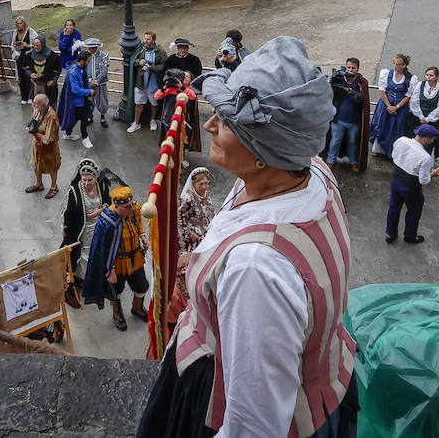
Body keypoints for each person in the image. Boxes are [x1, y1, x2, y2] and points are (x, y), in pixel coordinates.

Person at [138, 36, 356, 438]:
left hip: (216, 395)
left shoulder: (256, 267)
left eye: (228, 121)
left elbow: (253, 426)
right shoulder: (310, 172)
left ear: (265, 149)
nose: (209, 124)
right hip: (324, 385)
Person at [82, 185, 149, 332]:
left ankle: (137, 308)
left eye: (131, 205)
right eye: (127, 207)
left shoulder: (134, 208)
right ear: (116, 207)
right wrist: (110, 270)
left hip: (136, 257)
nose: (131, 208)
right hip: (117, 263)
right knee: (116, 291)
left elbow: (139, 223)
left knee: (142, 285)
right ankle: (117, 313)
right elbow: (102, 249)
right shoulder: (107, 221)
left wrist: (142, 236)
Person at [61, 158, 115, 283]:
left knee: (99, 250)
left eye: (89, 180)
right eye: (83, 180)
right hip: (81, 229)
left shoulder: (102, 185)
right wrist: (65, 229)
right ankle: (84, 278)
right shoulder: (74, 191)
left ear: (96, 178)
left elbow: (108, 202)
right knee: (83, 252)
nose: (86, 183)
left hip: (100, 225)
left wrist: (98, 212)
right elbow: (67, 213)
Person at [387, 124, 439, 244]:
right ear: (426, 138)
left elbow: (394, 155)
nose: (432, 141)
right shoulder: (425, 157)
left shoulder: (401, 140)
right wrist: (432, 174)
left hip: (396, 179)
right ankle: (410, 236)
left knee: (393, 208)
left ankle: (390, 233)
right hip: (411, 187)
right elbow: (424, 180)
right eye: (432, 139)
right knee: (414, 211)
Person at [325, 58, 370, 171]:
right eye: (348, 67)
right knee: (335, 141)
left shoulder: (361, 82)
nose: (350, 69)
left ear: (357, 69)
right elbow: (330, 96)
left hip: (354, 121)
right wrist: (334, 82)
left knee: (353, 142)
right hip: (339, 119)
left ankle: (353, 161)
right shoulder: (340, 79)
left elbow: (362, 100)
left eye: (353, 68)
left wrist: (348, 90)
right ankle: (330, 160)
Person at [370, 53, 417, 159]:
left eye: (399, 65)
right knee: (382, 125)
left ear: (404, 65)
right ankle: (377, 149)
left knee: (396, 128)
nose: (396, 67)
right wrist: (389, 105)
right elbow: (382, 91)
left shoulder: (410, 78)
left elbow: (408, 96)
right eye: (395, 64)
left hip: (400, 108)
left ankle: (392, 152)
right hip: (385, 105)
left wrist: (396, 107)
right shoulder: (386, 73)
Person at [127, 31, 167, 133]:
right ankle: (136, 123)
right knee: (138, 103)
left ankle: (153, 120)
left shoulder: (161, 51)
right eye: (145, 38)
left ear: (153, 40)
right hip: (140, 83)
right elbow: (132, 60)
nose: (145, 41)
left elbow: (163, 66)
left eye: (148, 39)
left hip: (153, 84)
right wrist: (138, 62)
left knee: (154, 103)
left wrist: (152, 68)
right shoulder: (141, 49)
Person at [26, 93, 63, 198]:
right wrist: (30, 127)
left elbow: (48, 138)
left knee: (52, 168)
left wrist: (33, 132)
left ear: (44, 105)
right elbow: (33, 121)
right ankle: (39, 184)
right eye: (33, 103)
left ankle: (54, 187)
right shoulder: (37, 110)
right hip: (37, 145)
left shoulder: (51, 117)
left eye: (36, 104)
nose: (34, 105)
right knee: (35, 164)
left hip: (49, 148)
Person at [57, 49, 95, 147]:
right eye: (88, 61)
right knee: (83, 119)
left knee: (76, 119)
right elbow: (75, 90)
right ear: (82, 61)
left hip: (83, 100)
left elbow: (84, 81)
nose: (89, 62)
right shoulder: (73, 72)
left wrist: (88, 93)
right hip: (78, 102)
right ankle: (85, 137)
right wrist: (88, 92)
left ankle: (68, 134)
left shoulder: (83, 68)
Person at [409, 66, 439, 156]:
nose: (428, 77)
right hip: (417, 118)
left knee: (431, 143)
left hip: (434, 120)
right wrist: (421, 117)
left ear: (437, 77)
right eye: (427, 75)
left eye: (431, 75)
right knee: (415, 139)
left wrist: (428, 119)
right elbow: (414, 101)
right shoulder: (420, 85)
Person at [176, 166, 215, 255]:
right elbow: (179, 218)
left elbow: (210, 213)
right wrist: (190, 234)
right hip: (192, 239)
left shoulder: (206, 195)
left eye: (206, 183)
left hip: (206, 234)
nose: (205, 187)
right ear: (194, 184)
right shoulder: (188, 199)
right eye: (201, 184)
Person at [20, 34, 62, 107]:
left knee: (50, 108)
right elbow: (25, 68)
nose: (35, 47)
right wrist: (30, 74)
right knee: (37, 107)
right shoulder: (29, 55)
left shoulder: (53, 56)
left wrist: (53, 80)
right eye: (34, 45)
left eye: (38, 45)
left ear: (43, 44)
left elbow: (58, 71)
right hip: (35, 86)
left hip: (49, 88)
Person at [84, 38, 112, 128]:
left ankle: (102, 117)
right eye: (89, 47)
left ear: (97, 47)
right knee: (88, 101)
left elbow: (104, 70)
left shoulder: (104, 55)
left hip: (101, 83)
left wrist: (96, 81)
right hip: (88, 83)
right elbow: (82, 68)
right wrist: (89, 81)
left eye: (93, 47)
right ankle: (90, 116)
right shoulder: (84, 55)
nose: (91, 49)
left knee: (102, 101)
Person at [11, 17, 39, 100]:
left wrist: (27, 46)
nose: (19, 25)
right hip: (19, 58)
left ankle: (30, 97)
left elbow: (37, 44)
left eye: (21, 23)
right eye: (17, 23)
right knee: (20, 77)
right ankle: (23, 97)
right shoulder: (15, 32)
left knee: (29, 76)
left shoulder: (31, 31)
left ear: (24, 23)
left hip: (29, 58)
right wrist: (15, 46)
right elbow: (12, 43)